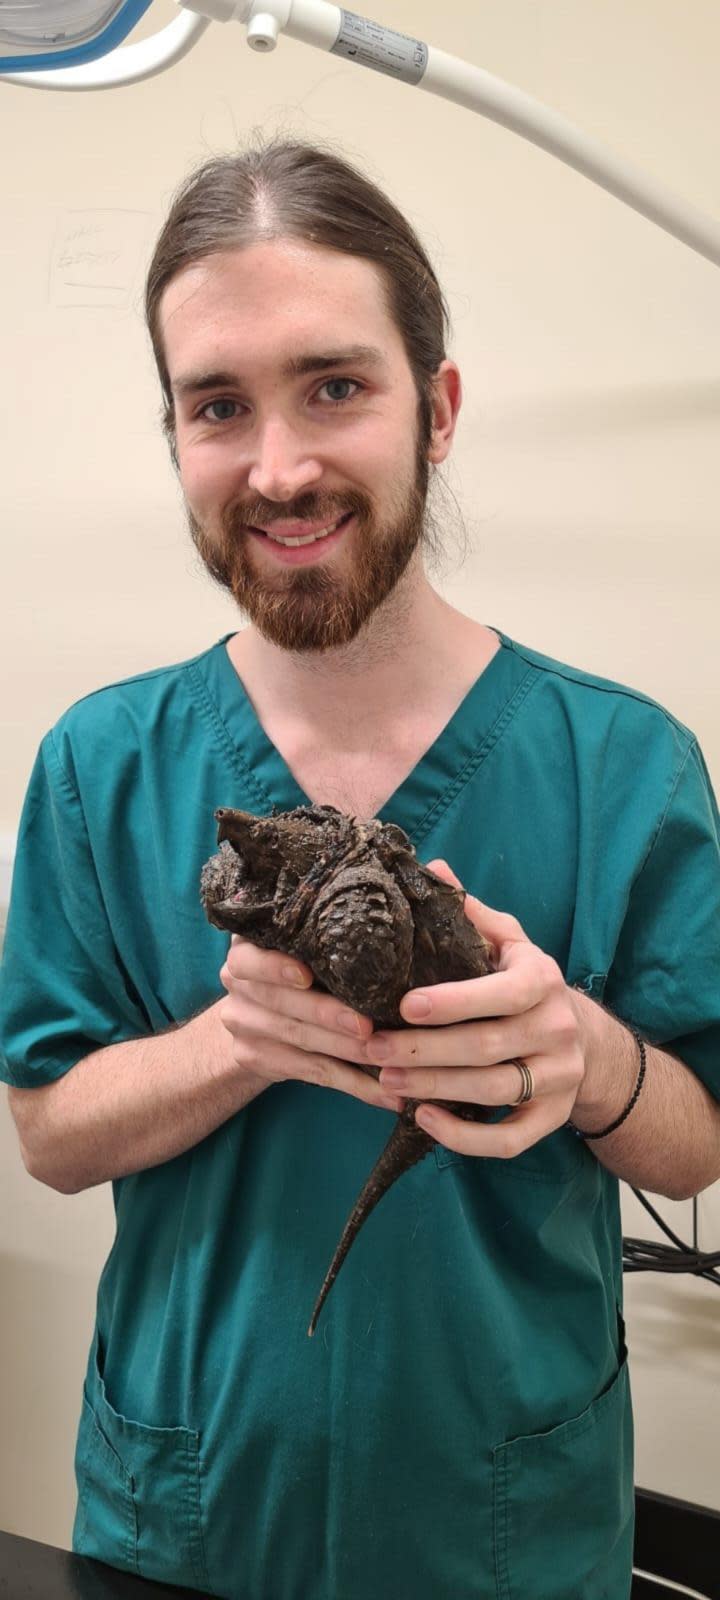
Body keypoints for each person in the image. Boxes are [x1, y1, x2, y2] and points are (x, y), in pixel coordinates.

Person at [2, 133, 720, 1600]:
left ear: (436, 409)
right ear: (177, 436)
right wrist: (240, 1043)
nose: (280, 468)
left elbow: (699, 1144)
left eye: (336, 386)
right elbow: (52, 1135)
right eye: (218, 406)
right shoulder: (100, 763)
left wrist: (586, 1057)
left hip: (503, 1525)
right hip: (192, 1512)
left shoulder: (624, 762)